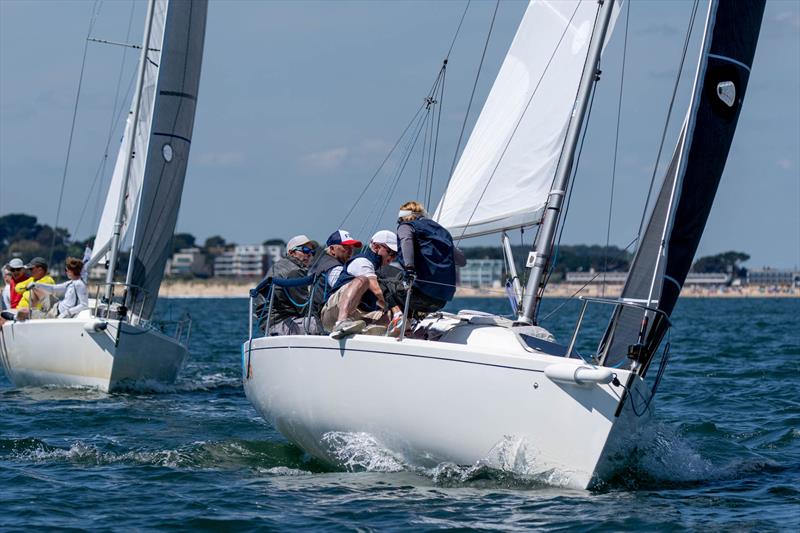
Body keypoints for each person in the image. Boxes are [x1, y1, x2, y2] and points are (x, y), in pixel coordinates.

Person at [322, 230, 401, 339]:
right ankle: (341, 322)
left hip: (355, 313)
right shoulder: (362, 261)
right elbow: (377, 290)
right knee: (363, 280)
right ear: (376, 247)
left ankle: (372, 333)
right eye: (391, 252)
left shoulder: (375, 269)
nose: (392, 258)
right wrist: (396, 310)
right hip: (332, 313)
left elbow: (381, 299)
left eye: (395, 254)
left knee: (389, 316)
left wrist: (393, 314)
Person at [395, 200, 465, 315]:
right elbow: (462, 261)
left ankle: (400, 322)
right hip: (441, 300)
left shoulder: (406, 226)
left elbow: (406, 240)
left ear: (402, 218)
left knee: (388, 282)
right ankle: (414, 324)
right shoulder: (443, 232)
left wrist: (409, 269)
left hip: (419, 295)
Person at [253, 235, 320, 335]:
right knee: (327, 323)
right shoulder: (295, 271)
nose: (309, 254)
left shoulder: (280, 265)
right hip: (281, 324)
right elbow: (304, 308)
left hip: (269, 324)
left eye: (312, 252)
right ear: (291, 252)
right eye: (305, 250)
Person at [308, 229, 362, 314]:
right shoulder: (334, 267)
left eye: (352, 247)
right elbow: (346, 290)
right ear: (332, 249)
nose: (351, 251)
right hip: (322, 318)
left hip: (317, 315)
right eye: (346, 247)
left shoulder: (326, 262)